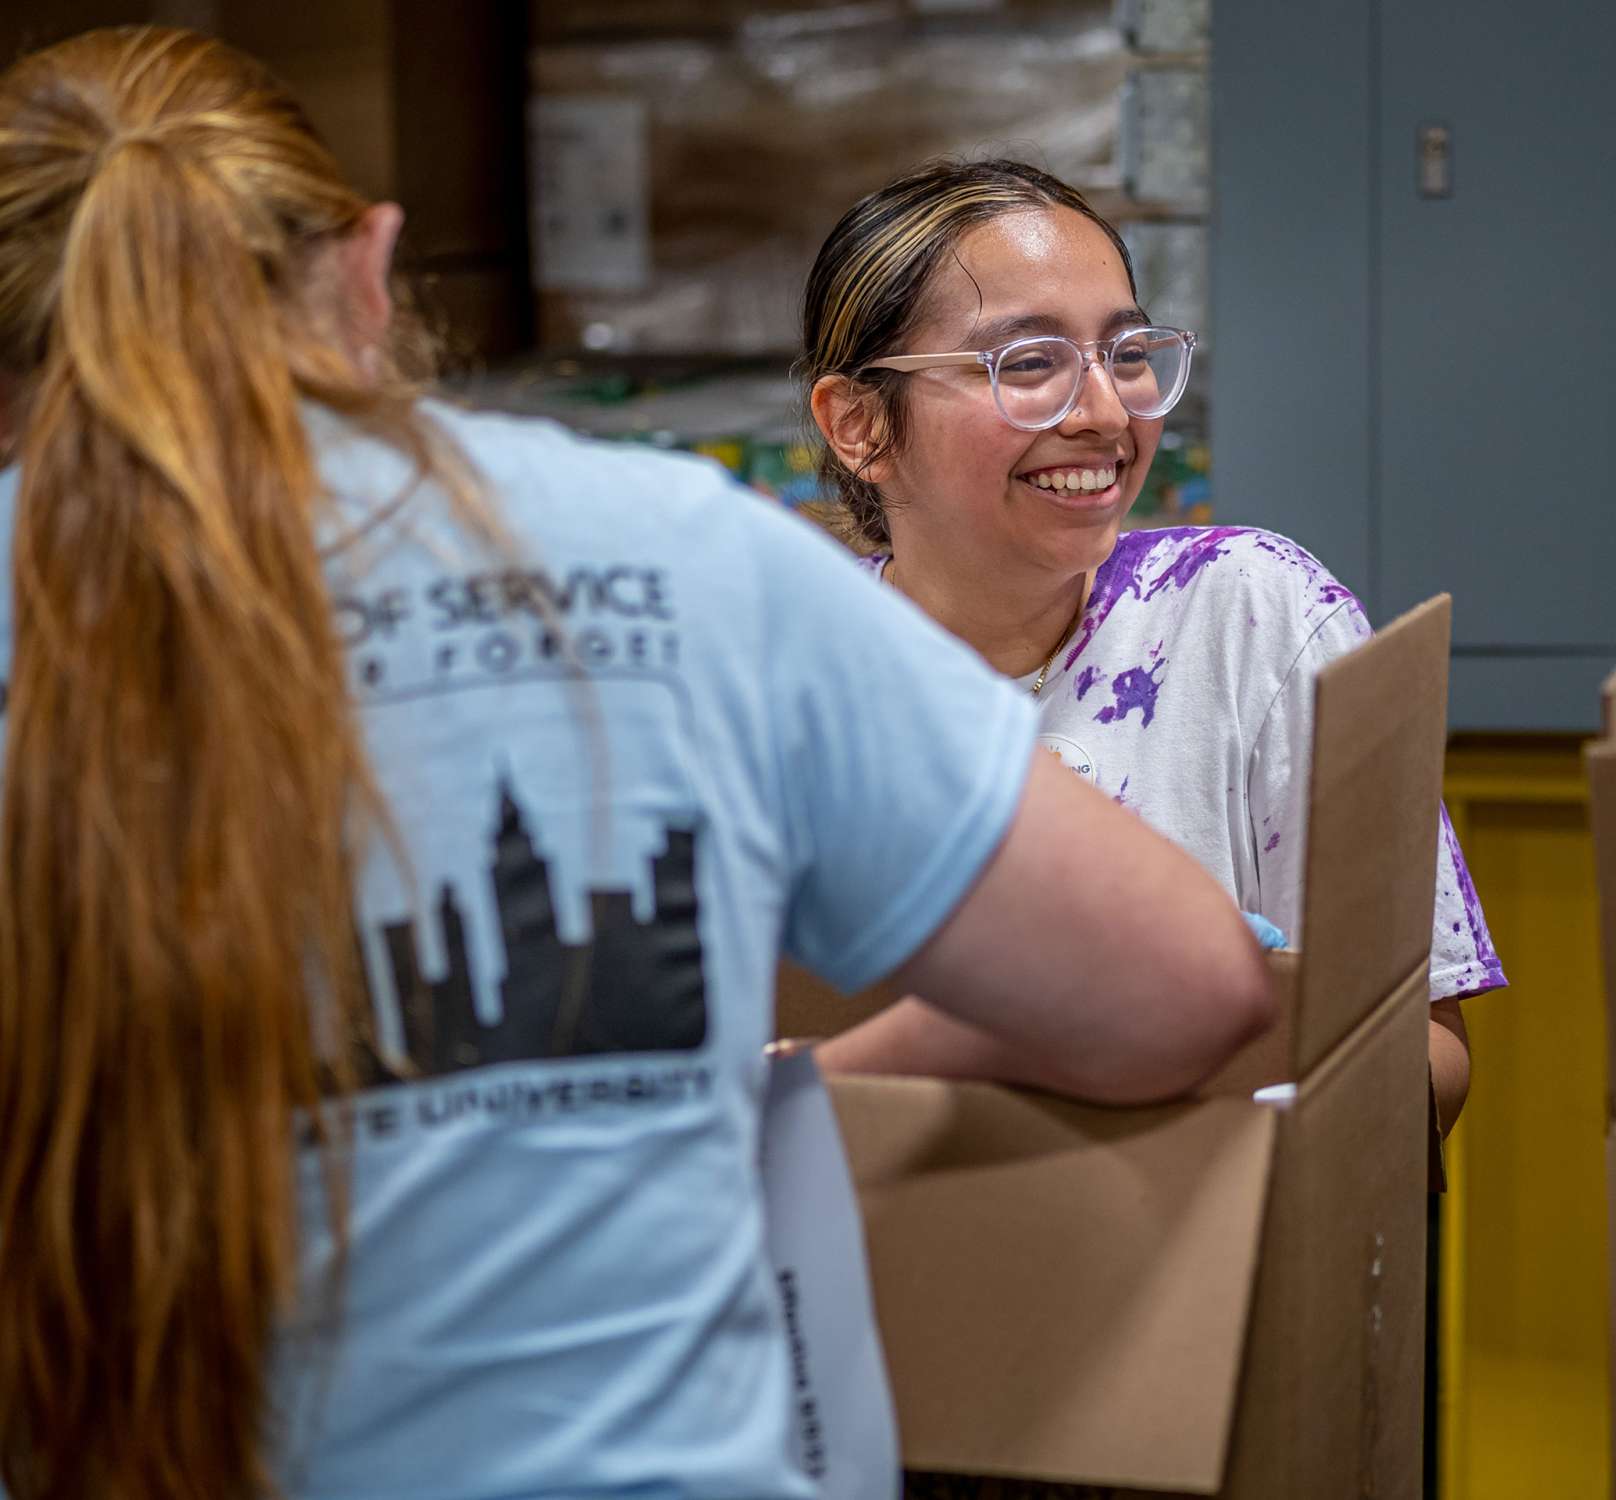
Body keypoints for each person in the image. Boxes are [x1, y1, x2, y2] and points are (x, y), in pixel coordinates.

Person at [0, 31, 1272, 1500]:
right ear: (370, 266)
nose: (1102, 409)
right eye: (1026, 362)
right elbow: (1189, 989)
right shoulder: (671, 548)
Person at [802, 159, 1507, 1130]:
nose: (1102, 414)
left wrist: (1221, 1118)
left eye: (1125, 353)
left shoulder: (1249, 614)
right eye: (1030, 364)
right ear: (859, 425)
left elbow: (1427, 1049)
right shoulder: (785, 690)